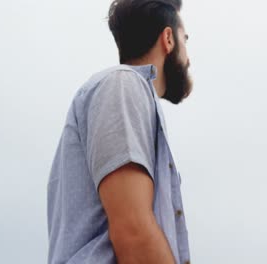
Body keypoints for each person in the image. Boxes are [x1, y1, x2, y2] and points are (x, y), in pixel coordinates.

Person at [47, 0, 193, 263]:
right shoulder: (123, 85)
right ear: (168, 39)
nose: (189, 58)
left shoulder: (129, 94)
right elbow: (132, 230)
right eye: (186, 40)